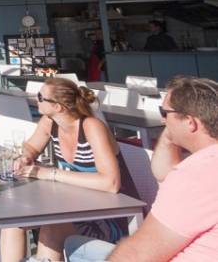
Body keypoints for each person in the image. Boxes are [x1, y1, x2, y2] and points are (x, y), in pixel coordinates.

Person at [64, 76, 218, 262]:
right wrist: (172, 130)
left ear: (191, 123)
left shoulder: (195, 175)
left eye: (164, 112)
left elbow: (136, 255)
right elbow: (163, 174)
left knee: (75, 247)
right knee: (74, 242)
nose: (162, 120)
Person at [1, 78, 136, 262]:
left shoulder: (91, 127)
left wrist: (51, 174)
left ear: (58, 107)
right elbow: (31, 146)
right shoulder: (49, 122)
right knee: (13, 222)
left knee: (52, 229)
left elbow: (111, 183)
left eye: (41, 96)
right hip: (72, 205)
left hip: (109, 214)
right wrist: (26, 156)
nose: (36, 98)